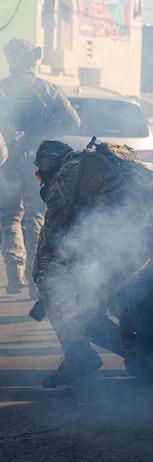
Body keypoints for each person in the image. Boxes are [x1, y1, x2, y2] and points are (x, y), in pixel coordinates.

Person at [32, 139, 153, 388]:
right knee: (90, 315)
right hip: (143, 243)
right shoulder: (97, 164)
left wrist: (48, 287)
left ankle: (77, 354)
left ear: (47, 162)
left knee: (48, 270)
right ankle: (141, 356)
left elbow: (52, 239)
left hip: (117, 246)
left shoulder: (65, 176)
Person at [0, 39, 80, 296]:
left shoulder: (3, 89)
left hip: (9, 162)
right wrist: (45, 137)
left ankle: (15, 276)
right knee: (37, 216)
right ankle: (38, 279)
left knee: (10, 217)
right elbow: (73, 122)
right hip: (41, 163)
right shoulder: (49, 90)